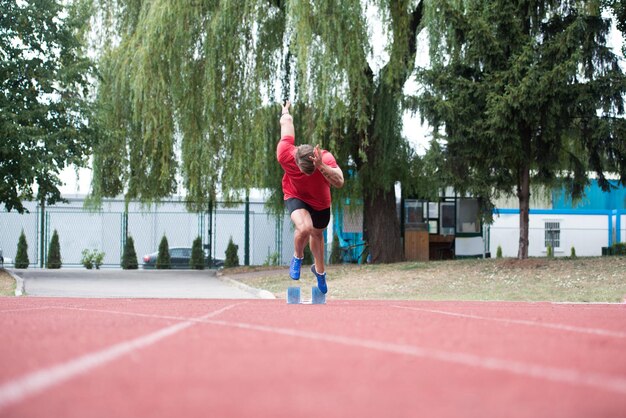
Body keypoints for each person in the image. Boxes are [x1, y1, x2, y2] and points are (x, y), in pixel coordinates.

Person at [277, 100, 344, 294]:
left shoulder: (325, 158)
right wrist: (285, 110)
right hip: (295, 194)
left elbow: (339, 182)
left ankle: (320, 272)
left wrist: (322, 167)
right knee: (304, 228)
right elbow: (286, 123)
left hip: (320, 203)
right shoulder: (285, 153)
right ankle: (297, 257)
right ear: (295, 159)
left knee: (317, 233)